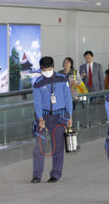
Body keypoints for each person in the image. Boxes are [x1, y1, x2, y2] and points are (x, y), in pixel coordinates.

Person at [31, 56, 73, 184]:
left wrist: (69, 115)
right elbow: (37, 103)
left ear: (53, 68)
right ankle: (37, 174)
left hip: (59, 117)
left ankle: (56, 173)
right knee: (39, 147)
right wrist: (40, 118)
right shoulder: (38, 83)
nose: (47, 71)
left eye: (49, 69)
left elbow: (68, 98)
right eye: (44, 69)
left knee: (57, 146)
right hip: (43, 117)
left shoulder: (62, 79)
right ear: (41, 69)